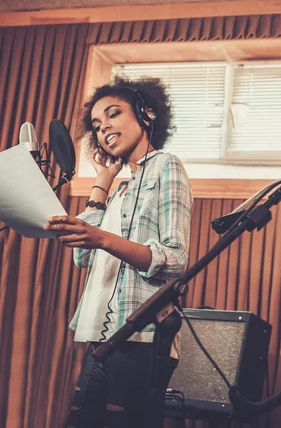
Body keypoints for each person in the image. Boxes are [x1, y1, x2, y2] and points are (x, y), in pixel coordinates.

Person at [46, 76, 193, 428]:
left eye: (113, 114)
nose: (104, 128)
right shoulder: (119, 189)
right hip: (102, 333)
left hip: (141, 336)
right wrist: (102, 184)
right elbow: (83, 257)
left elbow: (175, 258)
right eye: (96, 125)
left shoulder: (166, 166)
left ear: (146, 114)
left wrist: (101, 238)